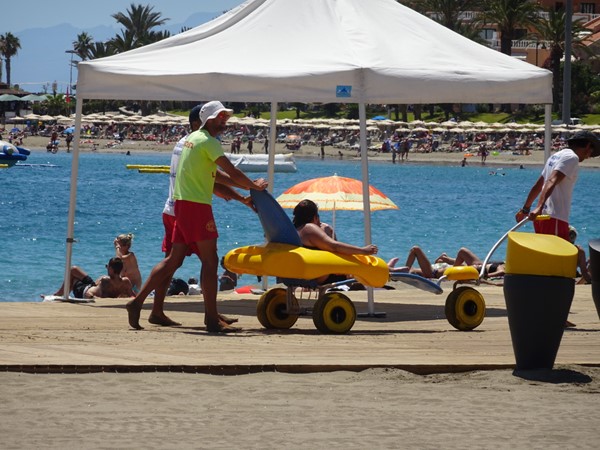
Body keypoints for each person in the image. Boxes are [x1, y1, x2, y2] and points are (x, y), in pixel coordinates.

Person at [126, 101, 268, 333]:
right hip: (195, 206)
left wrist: (244, 194)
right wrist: (254, 187)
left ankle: (137, 302)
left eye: (226, 117)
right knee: (210, 261)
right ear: (208, 119)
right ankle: (211, 319)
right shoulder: (207, 142)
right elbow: (230, 171)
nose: (224, 121)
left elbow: (215, 178)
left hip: (182, 204)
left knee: (174, 259)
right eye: (220, 117)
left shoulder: (192, 140)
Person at [515, 130, 598, 283]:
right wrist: (538, 207)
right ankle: (578, 273)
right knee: (557, 261)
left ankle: (546, 292)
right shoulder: (571, 158)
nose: (589, 155)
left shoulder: (555, 156)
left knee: (547, 259)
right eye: (591, 150)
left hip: (543, 218)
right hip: (554, 216)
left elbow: (539, 184)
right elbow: (551, 181)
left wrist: (526, 208)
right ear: (587, 145)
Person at [292, 199, 378, 284]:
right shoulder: (309, 228)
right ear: (315, 217)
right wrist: (362, 250)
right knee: (356, 270)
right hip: (317, 276)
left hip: (301, 274)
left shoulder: (294, 230)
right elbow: (333, 246)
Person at [389, 246, 505, 279]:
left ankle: (401, 269)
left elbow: (501, 272)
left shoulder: (504, 267)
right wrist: (447, 260)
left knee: (415, 250)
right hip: (474, 266)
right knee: (463, 250)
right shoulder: (501, 262)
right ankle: (398, 269)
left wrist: (486, 276)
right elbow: (462, 262)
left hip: (435, 272)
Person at [50, 257, 135, 299]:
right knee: (74, 270)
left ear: (111, 269)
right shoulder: (126, 282)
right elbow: (133, 297)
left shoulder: (106, 281)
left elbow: (89, 295)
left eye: (107, 267)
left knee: (73, 273)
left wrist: (93, 298)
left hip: (82, 291)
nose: (106, 268)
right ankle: (62, 294)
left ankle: (59, 295)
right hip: (91, 285)